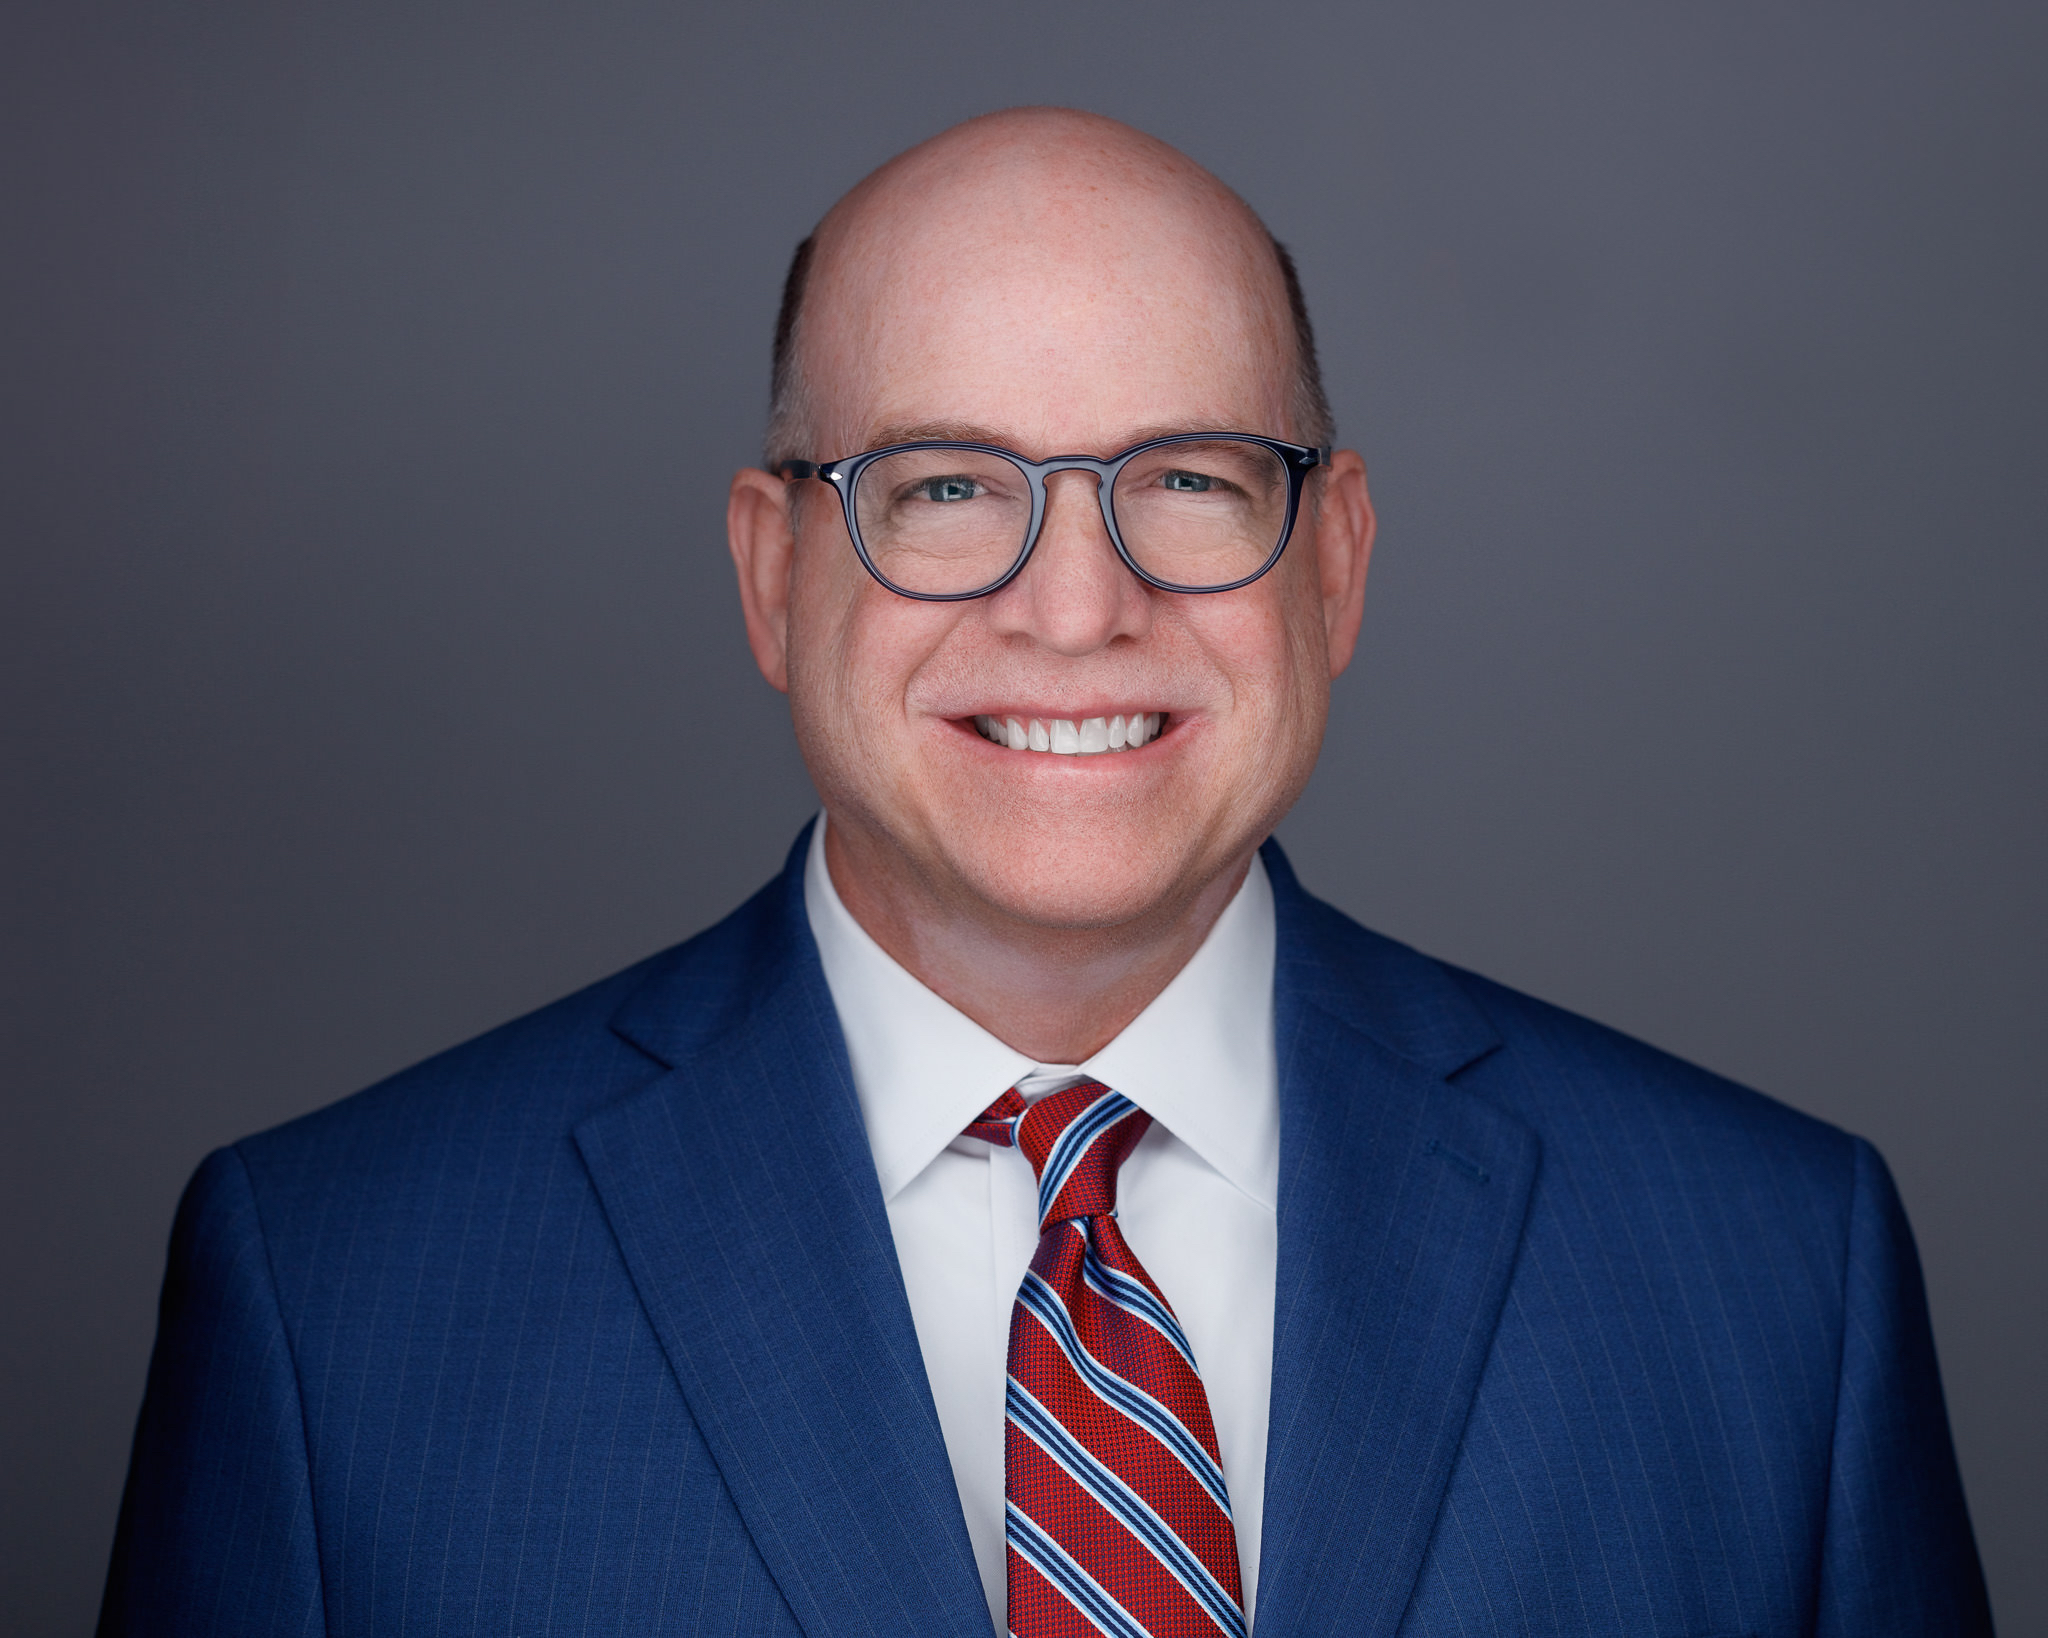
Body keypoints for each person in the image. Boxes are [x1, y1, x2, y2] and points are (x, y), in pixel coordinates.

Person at [100, 108, 1990, 1638]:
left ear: (1335, 562)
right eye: (940, 484)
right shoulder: (334, 1299)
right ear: (773, 577)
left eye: (1189, 479)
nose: (1077, 605)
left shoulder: (1770, 1277)